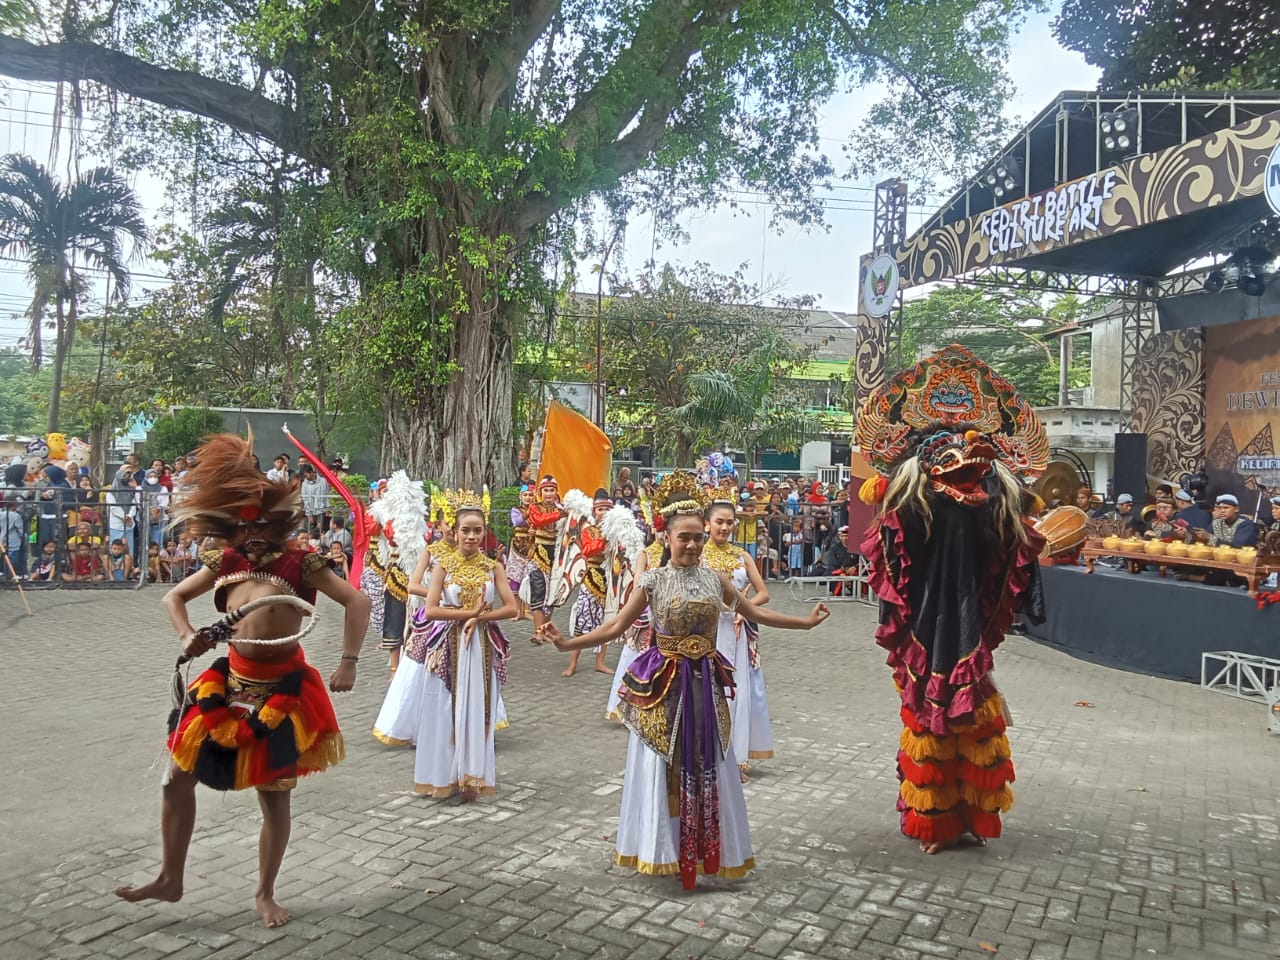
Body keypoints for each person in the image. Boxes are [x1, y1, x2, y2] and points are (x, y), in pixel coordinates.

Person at [115, 432, 370, 929]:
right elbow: (173, 599)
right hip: (226, 682)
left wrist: (350, 661)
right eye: (241, 526)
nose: (252, 536)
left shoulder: (302, 564)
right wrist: (188, 634)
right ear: (228, 528)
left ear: (278, 525)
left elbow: (357, 602)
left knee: (274, 797)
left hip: (284, 691)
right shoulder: (224, 564)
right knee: (175, 778)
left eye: (261, 526)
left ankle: (265, 893)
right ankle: (171, 877)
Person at [544, 472, 828, 889]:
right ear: (668, 537)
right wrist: (568, 642)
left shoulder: (716, 579)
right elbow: (616, 626)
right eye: (685, 537)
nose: (693, 545)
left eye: (698, 537)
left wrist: (804, 624)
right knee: (664, 766)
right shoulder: (653, 581)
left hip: (706, 684)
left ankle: (711, 850)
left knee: (710, 763)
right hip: (664, 685)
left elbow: (756, 614)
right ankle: (663, 850)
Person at [856, 344, 1046, 855]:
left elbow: (1009, 535)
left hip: (967, 617)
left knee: (976, 712)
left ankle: (974, 818)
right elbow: (892, 537)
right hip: (928, 616)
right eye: (949, 461)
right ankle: (934, 821)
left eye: (975, 462)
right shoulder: (913, 504)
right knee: (928, 715)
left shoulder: (990, 499)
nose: (968, 469)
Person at [412, 492, 518, 798]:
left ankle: (473, 776)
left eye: (477, 530)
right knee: (445, 709)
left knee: (479, 708)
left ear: (484, 533)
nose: (471, 536)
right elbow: (431, 609)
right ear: (455, 532)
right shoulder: (443, 566)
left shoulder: (493, 566)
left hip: (481, 645)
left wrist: (481, 620)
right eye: (466, 530)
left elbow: (511, 608)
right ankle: (444, 776)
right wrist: (470, 614)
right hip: (449, 643)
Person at [703, 497, 774, 781]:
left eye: (729, 522)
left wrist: (743, 610)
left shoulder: (742, 556)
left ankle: (735, 759)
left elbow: (763, 592)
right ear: (706, 524)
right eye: (719, 521)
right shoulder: (699, 556)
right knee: (710, 691)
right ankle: (710, 757)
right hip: (708, 633)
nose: (724, 527)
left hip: (737, 630)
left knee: (738, 691)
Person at [562, 489, 614, 678]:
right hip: (591, 578)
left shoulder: (618, 531)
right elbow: (589, 551)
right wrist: (603, 540)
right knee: (582, 622)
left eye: (607, 508)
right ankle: (573, 663)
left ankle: (600, 662)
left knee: (607, 622)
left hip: (610, 580)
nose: (603, 512)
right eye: (600, 509)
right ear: (594, 512)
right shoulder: (589, 530)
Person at [524, 475, 564, 645]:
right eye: (546, 490)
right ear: (541, 492)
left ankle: (545, 630)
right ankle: (538, 632)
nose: (549, 493)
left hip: (556, 554)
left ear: (556, 492)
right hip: (539, 554)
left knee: (552, 595)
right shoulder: (535, 507)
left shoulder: (563, 508)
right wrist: (558, 515)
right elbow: (537, 521)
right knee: (538, 592)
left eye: (551, 490)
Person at [504, 485, 536, 620]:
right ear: (521, 497)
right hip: (517, 547)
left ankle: (527, 611)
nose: (528, 497)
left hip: (532, 547)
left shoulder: (538, 510)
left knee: (529, 579)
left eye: (530, 495)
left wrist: (536, 531)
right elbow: (517, 522)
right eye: (525, 495)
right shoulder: (516, 510)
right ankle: (517, 611)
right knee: (515, 579)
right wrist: (529, 512)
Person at [1, 497, 26, 579]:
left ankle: (4, 572)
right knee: (13, 558)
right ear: (15, 505)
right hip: (13, 539)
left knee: (4, 556)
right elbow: (20, 529)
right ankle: (11, 574)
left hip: (2, 537)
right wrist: (24, 538)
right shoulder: (16, 516)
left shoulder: (1, 514)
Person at [300, 464, 329, 533]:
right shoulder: (304, 484)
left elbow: (326, 495)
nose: (306, 478)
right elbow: (305, 499)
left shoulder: (323, 481)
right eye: (304, 476)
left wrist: (327, 508)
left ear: (311, 472)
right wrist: (309, 514)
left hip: (321, 510)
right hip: (310, 510)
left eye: (306, 475)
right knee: (308, 531)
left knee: (320, 531)